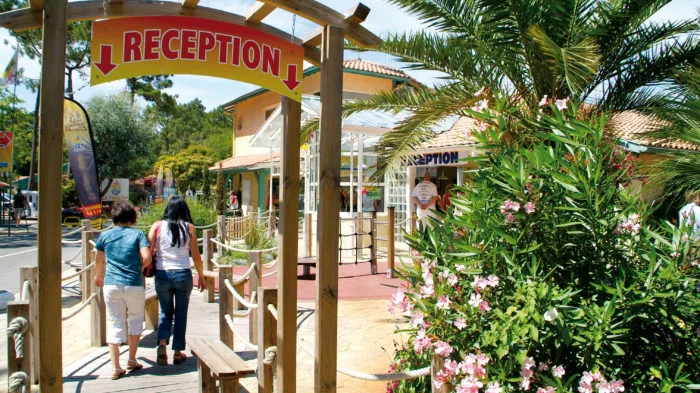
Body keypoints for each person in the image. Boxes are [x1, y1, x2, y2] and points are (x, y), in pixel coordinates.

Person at [93, 200, 151, 380]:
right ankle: (132, 359)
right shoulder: (138, 234)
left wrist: (99, 276)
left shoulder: (105, 236)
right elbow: (147, 257)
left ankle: (115, 366)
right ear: (132, 217)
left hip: (111, 284)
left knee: (114, 321)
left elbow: (99, 260)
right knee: (135, 319)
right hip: (133, 283)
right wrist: (139, 268)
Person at [149, 196, 206, 366]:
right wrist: (201, 276)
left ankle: (161, 343)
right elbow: (195, 254)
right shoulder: (189, 228)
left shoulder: (157, 226)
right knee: (181, 314)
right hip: (182, 273)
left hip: (162, 273)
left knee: (166, 312)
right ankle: (178, 351)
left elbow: (148, 248)